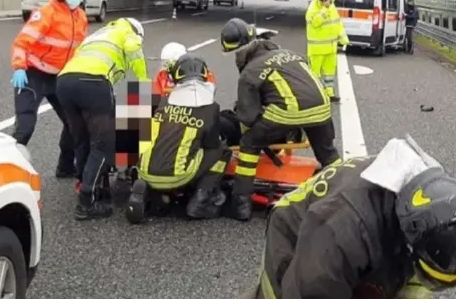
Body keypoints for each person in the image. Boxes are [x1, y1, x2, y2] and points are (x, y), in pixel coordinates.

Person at [243, 136, 456, 299]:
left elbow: (415, 267)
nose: (425, 281)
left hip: (352, 234)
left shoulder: (432, 203)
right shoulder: (342, 230)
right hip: (296, 237)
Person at [220, 18, 340, 221]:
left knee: (249, 143)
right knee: (327, 153)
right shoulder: (291, 54)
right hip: (322, 109)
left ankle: (241, 204)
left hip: (288, 113)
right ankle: (344, 191)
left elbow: (248, 117)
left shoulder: (250, 72)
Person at [57, 17, 150, 220]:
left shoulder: (99, 34)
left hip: (64, 82)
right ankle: (86, 202)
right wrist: (144, 83)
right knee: (103, 143)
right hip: (93, 82)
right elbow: (133, 49)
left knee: (82, 140)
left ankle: (85, 184)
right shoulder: (128, 32)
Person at [10, 0, 89, 178]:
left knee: (74, 124)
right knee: (25, 127)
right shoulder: (46, 14)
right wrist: (19, 67)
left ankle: (65, 167)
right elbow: (21, 43)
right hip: (33, 75)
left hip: (60, 78)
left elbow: (79, 49)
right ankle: (9, 171)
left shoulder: (80, 17)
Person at [136, 55, 230, 219]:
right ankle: (201, 198)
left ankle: (146, 188)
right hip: (179, 176)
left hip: (144, 171)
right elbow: (211, 144)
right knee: (222, 151)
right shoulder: (210, 107)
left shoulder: (162, 102)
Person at [305, 0, 349, 103]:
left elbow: (337, 23)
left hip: (330, 48)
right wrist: (324, 9)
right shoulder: (313, 8)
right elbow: (315, 23)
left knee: (330, 72)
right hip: (317, 49)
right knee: (315, 73)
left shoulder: (332, 7)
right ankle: (316, 95)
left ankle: (329, 93)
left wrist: (343, 38)